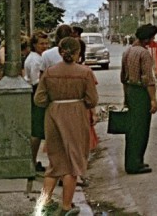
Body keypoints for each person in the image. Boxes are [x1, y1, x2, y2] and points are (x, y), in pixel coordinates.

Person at [34, 37, 98, 216]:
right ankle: (66, 206)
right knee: (73, 163)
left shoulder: (49, 72)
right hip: (76, 115)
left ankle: (42, 205)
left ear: (60, 52)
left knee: (55, 162)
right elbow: (92, 99)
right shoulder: (85, 72)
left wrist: (54, 103)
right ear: (78, 53)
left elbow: (39, 99)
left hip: (53, 115)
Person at [120, 24, 157, 175]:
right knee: (141, 129)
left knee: (132, 129)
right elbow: (148, 79)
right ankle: (136, 163)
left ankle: (131, 161)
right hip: (141, 93)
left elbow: (123, 77)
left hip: (130, 90)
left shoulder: (127, 51)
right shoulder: (144, 54)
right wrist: (153, 99)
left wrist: (126, 97)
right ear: (147, 39)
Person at [24, 31, 51, 172]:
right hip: (36, 94)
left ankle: (32, 161)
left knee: (38, 130)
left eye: (46, 43)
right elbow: (36, 82)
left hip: (36, 93)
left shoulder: (38, 57)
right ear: (34, 44)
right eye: (41, 44)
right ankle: (32, 162)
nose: (44, 46)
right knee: (37, 130)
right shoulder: (35, 60)